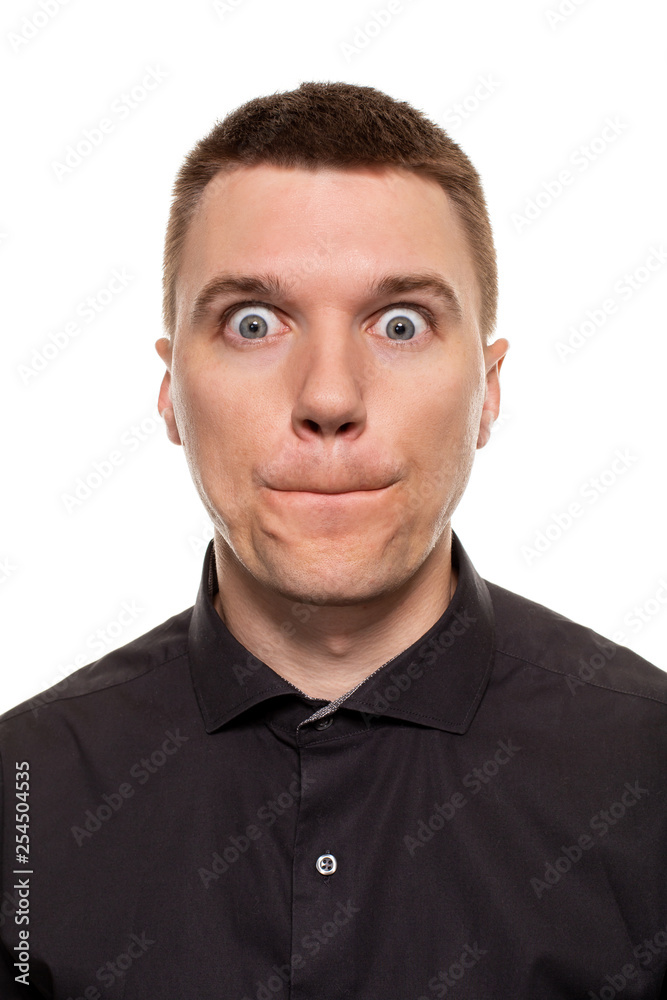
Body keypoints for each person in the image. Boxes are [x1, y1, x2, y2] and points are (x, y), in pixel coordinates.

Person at [1, 81, 665, 1000]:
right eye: (253, 323)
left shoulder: (649, 771)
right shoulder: (21, 793)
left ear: (489, 388)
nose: (327, 398)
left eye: (399, 324)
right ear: (169, 393)